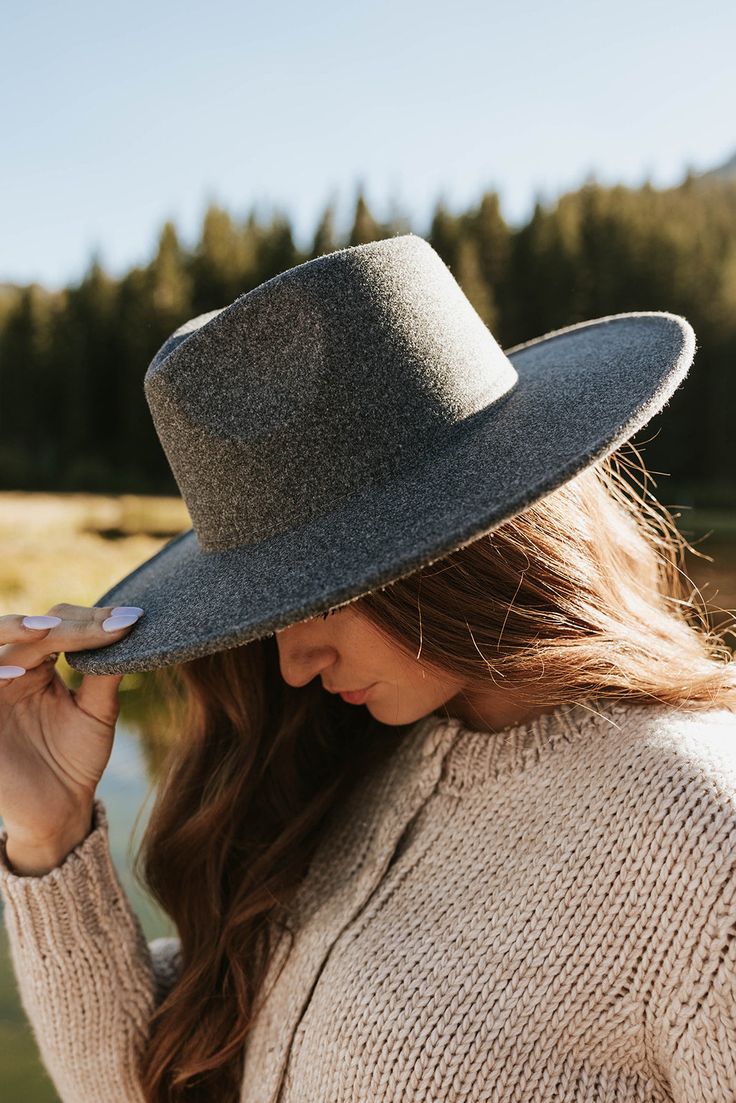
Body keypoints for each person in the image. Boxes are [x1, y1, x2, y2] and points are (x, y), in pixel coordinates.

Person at [0, 234, 735, 1103]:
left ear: (469, 547)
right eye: (263, 609)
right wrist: (50, 838)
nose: (296, 663)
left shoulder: (702, 838)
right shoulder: (348, 761)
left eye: (322, 591)